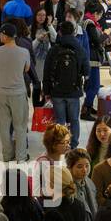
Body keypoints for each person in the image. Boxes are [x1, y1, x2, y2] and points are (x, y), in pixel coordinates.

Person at [43, 20, 86, 148]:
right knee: (74, 119)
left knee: (60, 120)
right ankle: (73, 144)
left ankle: (62, 144)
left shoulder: (54, 49)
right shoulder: (79, 48)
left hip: (57, 91)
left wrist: (46, 90)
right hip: (74, 90)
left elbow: (47, 71)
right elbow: (86, 69)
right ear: (73, 32)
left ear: (60, 32)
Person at [0, 23, 32, 162]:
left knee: (3, 126)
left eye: (0, 34)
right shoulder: (24, 52)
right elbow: (26, 69)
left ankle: (7, 155)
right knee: (20, 126)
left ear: (5, 35)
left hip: (2, 92)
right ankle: (21, 156)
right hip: (18, 92)